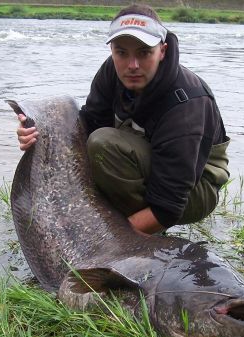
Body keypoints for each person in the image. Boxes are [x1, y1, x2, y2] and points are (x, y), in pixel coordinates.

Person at [16, 4, 230, 235]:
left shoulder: (187, 103)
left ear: (163, 51)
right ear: (112, 51)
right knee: (90, 142)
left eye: (144, 52)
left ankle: (131, 231)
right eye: (122, 53)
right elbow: (86, 126)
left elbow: (168, 207)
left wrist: (104, 240)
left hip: (197, 188)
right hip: (146, 159)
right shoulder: (111, 72)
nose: (132, 65)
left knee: (102, 144)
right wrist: (37, 135)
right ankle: (118, 217)